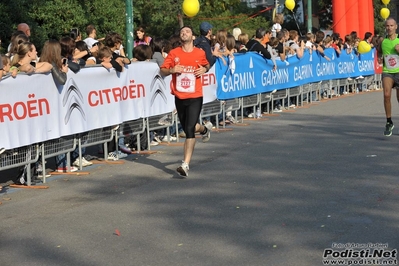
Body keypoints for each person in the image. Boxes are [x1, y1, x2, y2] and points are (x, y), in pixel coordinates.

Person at [160, 26, 211, 178]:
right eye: (182, 32)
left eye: (187, 31)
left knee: (189, 129)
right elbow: (162, 70)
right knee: (189, 126)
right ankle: (204, 129)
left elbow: (206, 64)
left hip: (195, 95)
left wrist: (205, 69)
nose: (184, 33)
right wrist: (172, 70)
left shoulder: (199, 53)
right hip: (179, 96)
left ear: (193, 36)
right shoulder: (174, 53)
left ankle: (185, 164)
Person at [378, 18, 399, 136]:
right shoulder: (383, 41)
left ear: (396, 27)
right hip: (388, 71)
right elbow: (379, 51)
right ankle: (389, 121)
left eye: (392, 26)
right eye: (387, 26)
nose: (389, 28)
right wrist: (380, 57)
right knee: (386, 95)